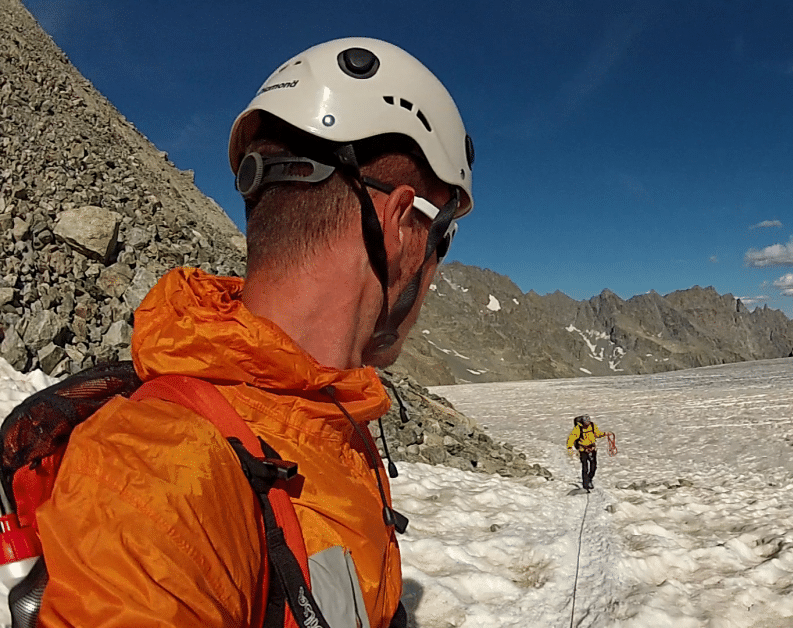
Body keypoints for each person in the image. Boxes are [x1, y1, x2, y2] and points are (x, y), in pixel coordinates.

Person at [32, 37, 473, 627]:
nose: (435, 270)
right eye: (441, 236)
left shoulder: (329, 418)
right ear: (397, 224)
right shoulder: (153, 476)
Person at [566, 414, 613, 490]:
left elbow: (597, 434)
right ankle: (585, 484)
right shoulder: (578, 428)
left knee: (593, 466)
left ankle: (589, 479)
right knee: (585, 467)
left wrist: (605, 434)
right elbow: (571, 438)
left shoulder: (593, 426)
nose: (587, 424)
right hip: (583, 450)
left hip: (592, 448)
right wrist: (569, 447)